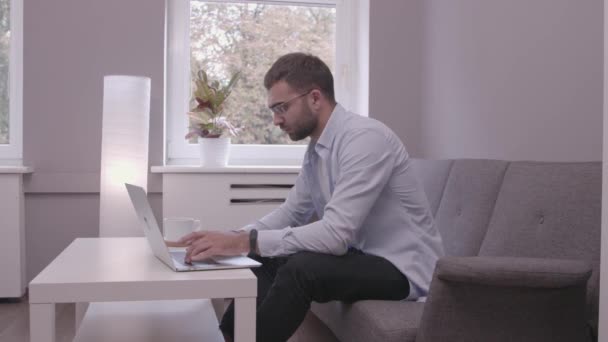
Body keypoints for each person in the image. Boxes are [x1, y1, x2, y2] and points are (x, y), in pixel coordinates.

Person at [179, 52, 444, 342]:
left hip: (403, 268)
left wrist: (245, 241)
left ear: (315, 98)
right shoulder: (317, 150)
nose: (276, 120)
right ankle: (229, 337)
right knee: (267, 254)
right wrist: (233, 236)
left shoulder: (366, 139)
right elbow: (291, 213)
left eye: (281, 107)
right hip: (362, 256)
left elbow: (335, 235)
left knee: (300, 269)